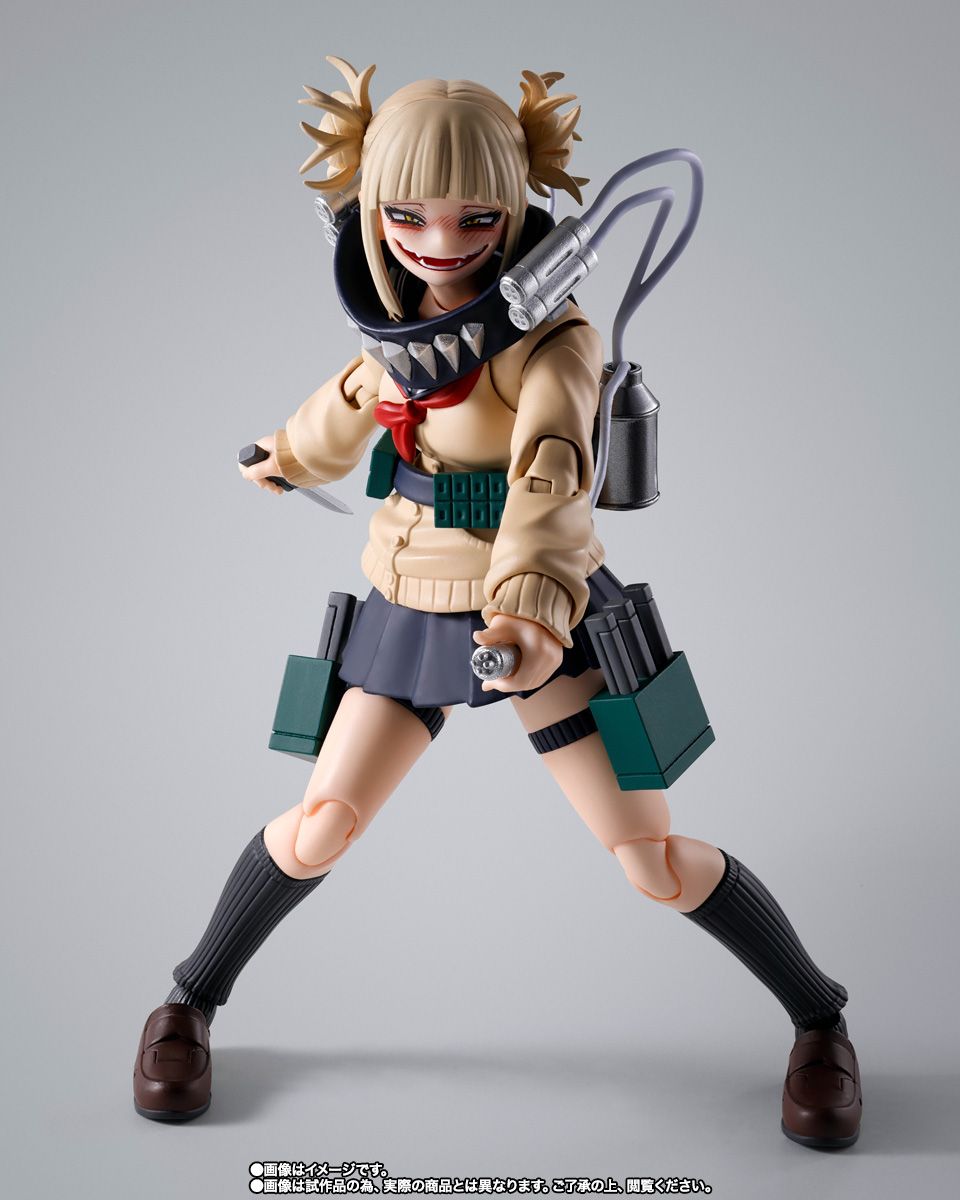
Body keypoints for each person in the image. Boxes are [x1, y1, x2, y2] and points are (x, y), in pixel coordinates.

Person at [133, 59, 862, 1148]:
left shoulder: (553, 340)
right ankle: (189, 998)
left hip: (538, 618)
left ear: (516, 207)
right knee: (321, 825)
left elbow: (551, 477)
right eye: (409, 216)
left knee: (650, 860)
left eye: (476, 216)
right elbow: (352, 401)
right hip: (410, 605)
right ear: (372, 211)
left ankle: (819, 1016)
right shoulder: (395, 327)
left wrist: (528, 611)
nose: (441, 241)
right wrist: (284, 454)